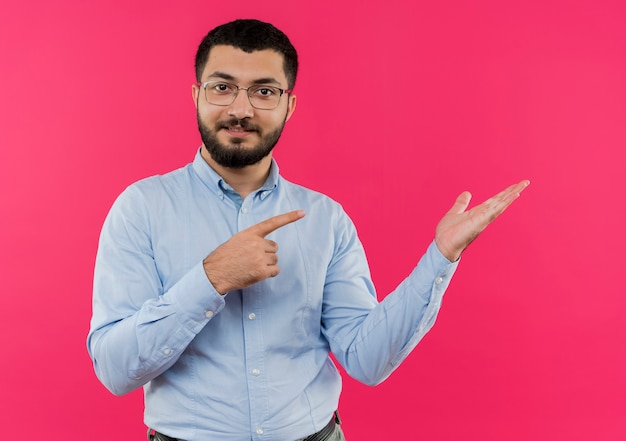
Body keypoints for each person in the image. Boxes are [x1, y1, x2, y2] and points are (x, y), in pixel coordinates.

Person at [87, 18, 529, 441]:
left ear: (288, 104)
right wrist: (210, 279)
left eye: (264, 91)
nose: (240, 109)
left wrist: (441, 257)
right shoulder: (140, 209)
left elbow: (366, 359)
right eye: (222, 88)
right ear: (197, 95)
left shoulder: (326, 219)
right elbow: (115, 369)